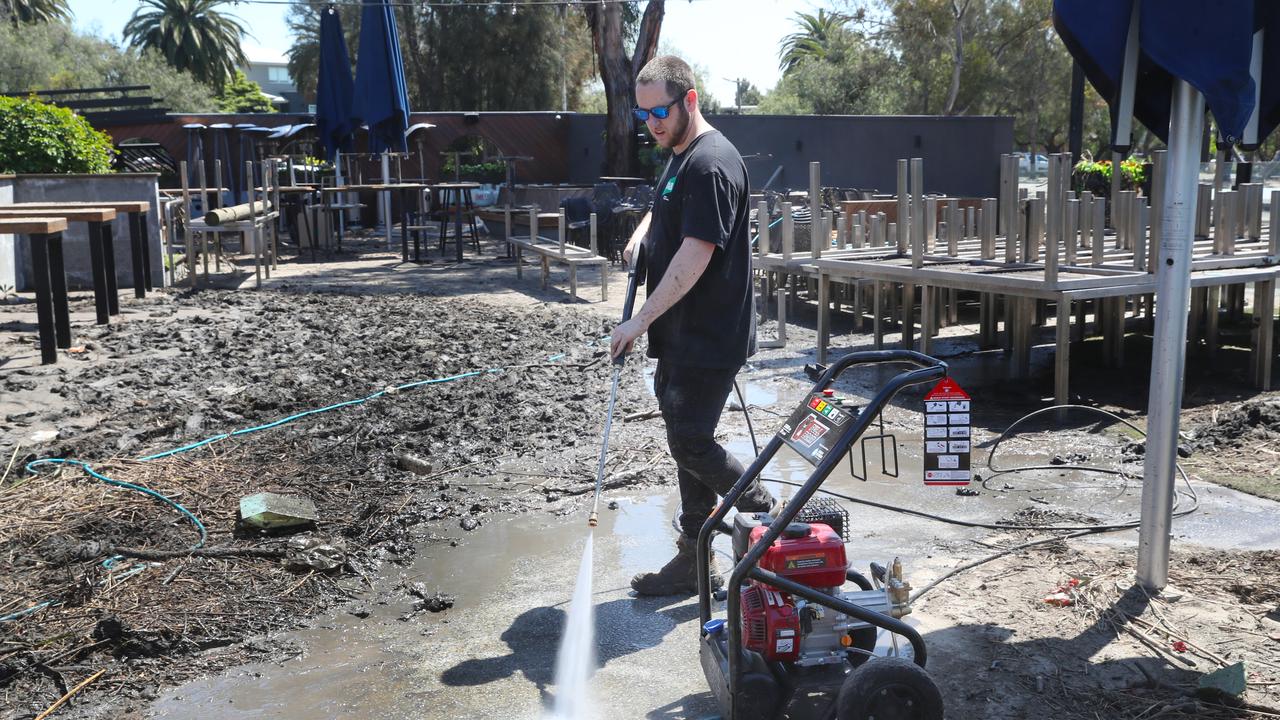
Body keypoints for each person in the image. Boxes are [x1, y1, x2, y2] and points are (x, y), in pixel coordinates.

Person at [609, 55, 777, 596]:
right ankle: (694, 561)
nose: (653, 122)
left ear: (690, 100)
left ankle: (765, 511)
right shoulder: (681, 154)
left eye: (661, 110)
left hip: (709, 334)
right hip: (680, 334)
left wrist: (637, 321)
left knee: (689, 442)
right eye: (644, 114)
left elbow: (694, 256)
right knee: (687, 443)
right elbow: (666, 209)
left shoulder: (711, 163)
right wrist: (644, 231)